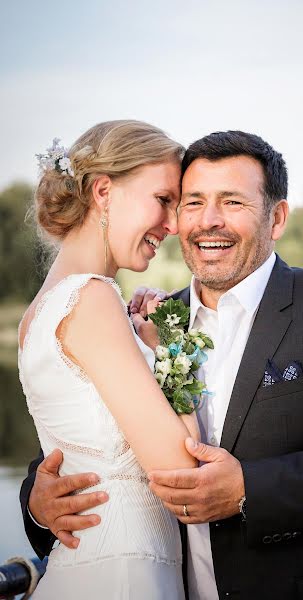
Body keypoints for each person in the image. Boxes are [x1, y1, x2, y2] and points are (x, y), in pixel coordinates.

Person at [21, 131, 303, 599]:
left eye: (233, 202)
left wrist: (249, 489)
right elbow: (81, 445)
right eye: (192, 201)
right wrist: (37, 506)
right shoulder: (148, 324)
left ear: (276, 217)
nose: (208, 221)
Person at [17, 120, 201, 599]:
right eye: (163, 200)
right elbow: (179, 468)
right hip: (126, 573)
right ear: (103, 191)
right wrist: (170, 344)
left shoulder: (40, 310)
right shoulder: (93, 300)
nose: (175, 224)